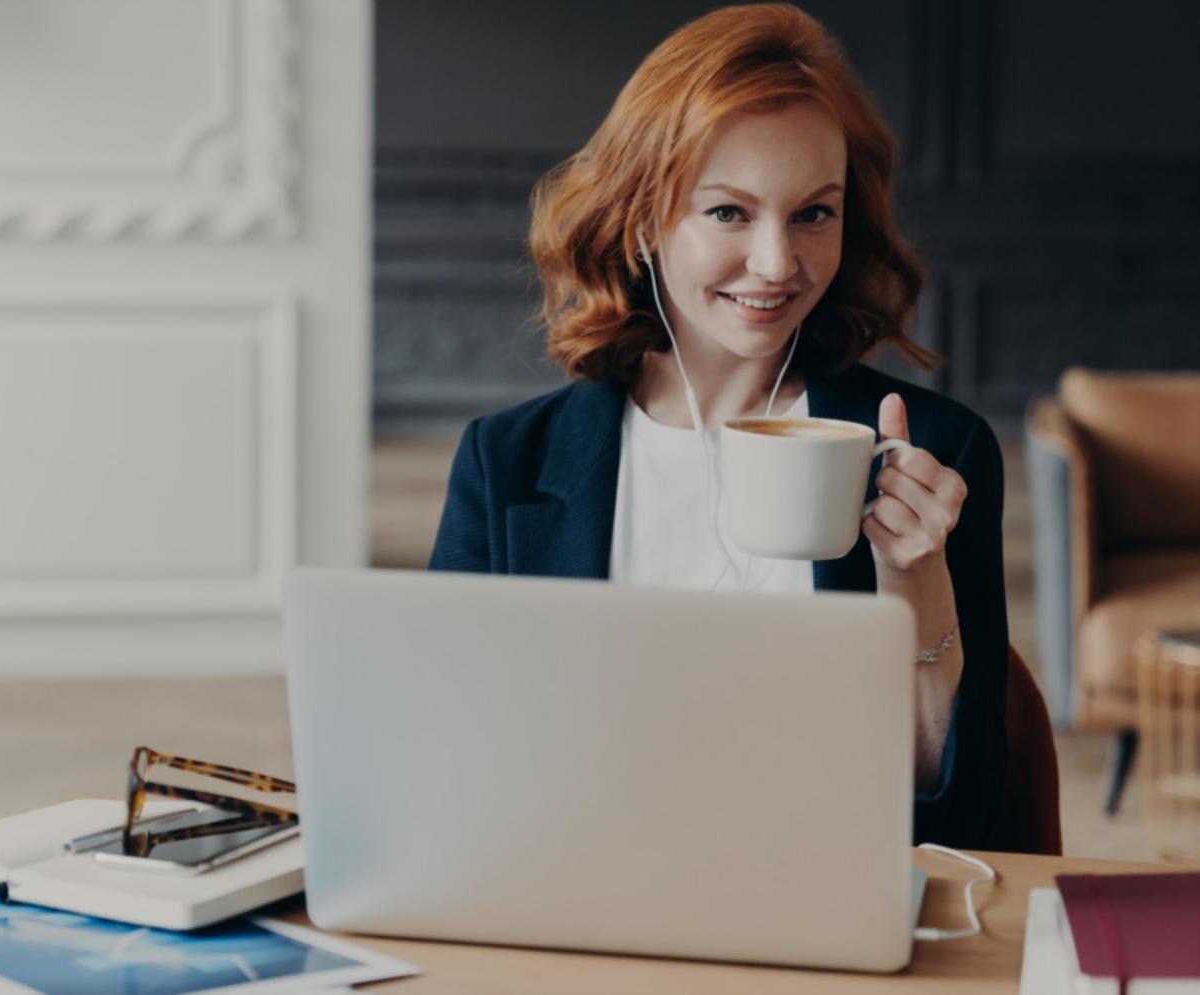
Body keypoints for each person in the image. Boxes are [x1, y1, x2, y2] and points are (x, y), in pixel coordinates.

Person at [428, 3, 1007, 849]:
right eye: (728, 213)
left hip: (826, 900)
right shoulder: (506, 463)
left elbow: (964, 818)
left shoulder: (935, 453)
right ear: (639, 220)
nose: (777, 264)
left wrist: (915, 586)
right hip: (575, 889)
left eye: (814, 212)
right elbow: (444, 761)